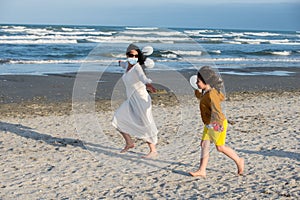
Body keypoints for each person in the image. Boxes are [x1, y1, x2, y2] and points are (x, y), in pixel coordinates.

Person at [189, 66, 244, 177]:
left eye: (198, 81)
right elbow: (202, 97)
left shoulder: (211, 94)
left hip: (216, 123)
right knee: (204, 144)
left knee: (220, 147)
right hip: (208, 124)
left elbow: (217, 110)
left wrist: (217, 125)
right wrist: (197, 92)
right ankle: (202, 170)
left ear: (206, 81)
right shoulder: (206, 91)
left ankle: (239, 160)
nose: (197, 83)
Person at [112, 44, 158, 158]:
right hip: (131, 100)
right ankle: (129, 143)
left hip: (141, 99)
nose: (133, 57)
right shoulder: (126, 65)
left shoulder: (137, 67)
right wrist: (117, 61)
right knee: (117, 119)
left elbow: (143, 77)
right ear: (127, 55)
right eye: (131, 55)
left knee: (145, 123)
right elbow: (122, 64)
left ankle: (153, 150)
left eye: (136, 56)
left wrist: (149, 84)